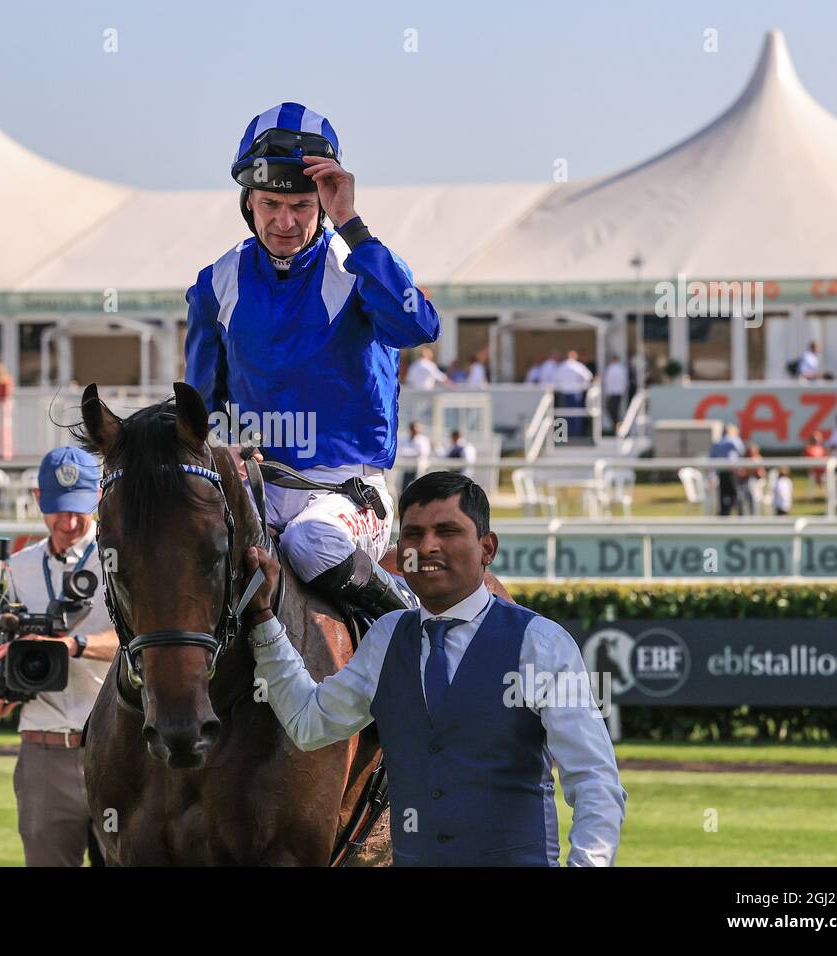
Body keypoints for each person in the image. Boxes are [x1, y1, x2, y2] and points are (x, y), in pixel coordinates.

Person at [242, 472, 625, 866]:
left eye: (447, 531)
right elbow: (309, 723)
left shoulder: (541, 643)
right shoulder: (387, 637)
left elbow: (595, 781)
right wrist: (265, 619)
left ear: (487, 548)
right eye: (413, 534)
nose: (426, 547)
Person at [186, 101, 439, 619]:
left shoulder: (357, 263)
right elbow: (199, 407)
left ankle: (414, 626)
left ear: (323, 202)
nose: (284, 221)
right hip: (255, 491)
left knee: (308, 543)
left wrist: (351, 222)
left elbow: (419, 326)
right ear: (248, 203)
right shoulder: (216, 281)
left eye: (301, 206)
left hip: (346, 496)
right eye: (269, 205)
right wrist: (219, 442)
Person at [0, 448, 119, 867]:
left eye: (78, 510)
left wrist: (75, 646)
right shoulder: (16, 568)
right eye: (57, 510)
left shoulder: (126, 559)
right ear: (39, 499)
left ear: (99, 498)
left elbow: (141, 639)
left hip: (117, 746)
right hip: (43, 752)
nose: (68, 523)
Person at [552, 350, 593, 438]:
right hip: (575, 393)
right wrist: (583, 387)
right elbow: (588, 377)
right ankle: (577, 434)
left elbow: (556, 380)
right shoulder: (578, 366)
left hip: (564, 393)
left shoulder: (562, 367)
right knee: (577, 414)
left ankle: (566, 434)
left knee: (565, 414)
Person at [709, 425, 745, 517]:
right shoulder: (733, 441)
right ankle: (737, 512)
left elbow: (712, 457)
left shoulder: (717, 443)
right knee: (735, 493)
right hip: (731, 472)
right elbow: (741, 450)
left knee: (724, 494)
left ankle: (725, 512)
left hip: (722, 472)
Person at [603, 354, 627, 434]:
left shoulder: (611, 368)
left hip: (613, 393)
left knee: (612, 410)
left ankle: (617, 426)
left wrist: (607, 393)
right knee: (615, 410)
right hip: (619, 392)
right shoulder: (621, 369)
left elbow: (609, 382)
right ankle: (617, 426)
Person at [0, 362, 15, 460]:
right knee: (2, 430)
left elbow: (6, 393)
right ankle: (2, 451)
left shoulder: (5, 380)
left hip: (4, 405)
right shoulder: (4, 379)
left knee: (5, 429)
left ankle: (6, 453)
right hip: (3, 405)